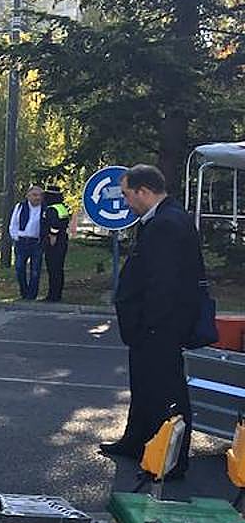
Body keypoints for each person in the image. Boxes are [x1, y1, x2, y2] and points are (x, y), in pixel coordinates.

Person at [101, 165, 205, 479]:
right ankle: (137, 441)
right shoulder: (164, 218)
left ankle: (169, 461)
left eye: (128, 195)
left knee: (165, 393)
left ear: (144, 191)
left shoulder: (167, 224)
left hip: (160, 326)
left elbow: (164, 283)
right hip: (154, 325)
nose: (126, 203)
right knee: (145, 388)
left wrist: (150, 323)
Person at [9, 185, 44, 300]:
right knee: (19, 267)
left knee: (35, 270)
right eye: (34, 195)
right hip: (22, 241)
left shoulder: (45, 209)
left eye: (39, 195)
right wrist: (15, 237)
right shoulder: (20, 207)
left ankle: (31, 296)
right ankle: (24, 292)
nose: (37, 198)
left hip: (36, 242)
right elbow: (13, 223)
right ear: (28, 196)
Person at [41, 187, 71, 302]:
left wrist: (53, 235)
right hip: (63, 240)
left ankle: (53, 295)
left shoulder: (52, 209)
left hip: (54, 242)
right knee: (58, 269)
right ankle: (57, 294)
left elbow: (54, 224)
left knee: (53, 269)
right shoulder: (62, 207)